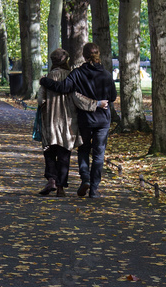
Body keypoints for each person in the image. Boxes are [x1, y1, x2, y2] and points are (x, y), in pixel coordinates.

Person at [39, 42, 116, 198]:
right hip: (102, 119)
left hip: (85, 118)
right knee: (98, 154)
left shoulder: (77, 74)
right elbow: (113, 97)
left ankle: (84, 178)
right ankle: (94, 189)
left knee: (83, 149)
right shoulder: (107, 75)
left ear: (84, 55)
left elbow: (62, 88)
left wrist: (44, 81)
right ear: (98, 54)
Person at [37, 48, 88, 197]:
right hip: (68, 121)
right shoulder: (72, 76)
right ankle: (60, 187)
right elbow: (78, 98)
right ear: (66, 60)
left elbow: (41, 101)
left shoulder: (48, 78)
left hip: (51, 120)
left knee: (49, 151)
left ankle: (51, 179)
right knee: (64, 154)